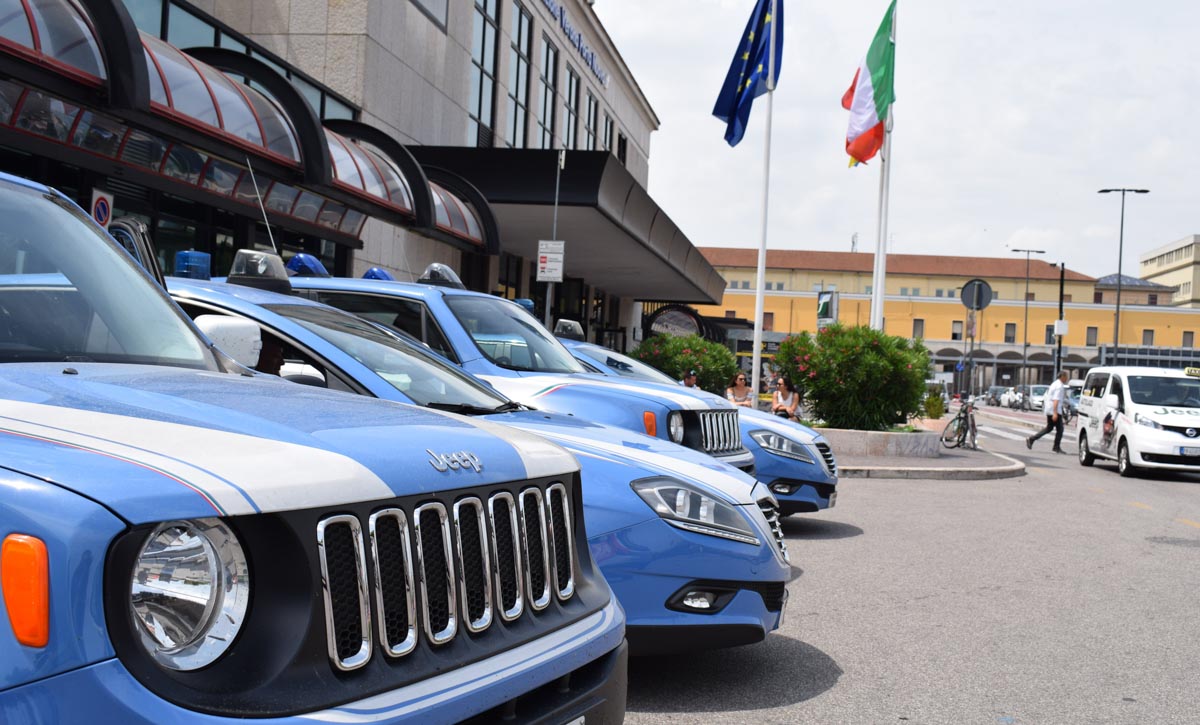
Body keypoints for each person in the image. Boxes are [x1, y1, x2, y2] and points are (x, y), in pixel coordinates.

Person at [1027, 371, 1069, 453]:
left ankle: (1032, 439)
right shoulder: (1059, 386)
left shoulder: (1054, 383)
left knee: (1049, 428)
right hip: (1054, 410)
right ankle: (1056, 447)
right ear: (1062, 376)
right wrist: (1055, 413)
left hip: (1050, 409)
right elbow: (1056, 400)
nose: (1067, 378)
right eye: (1066, 376)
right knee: (1060, 429)